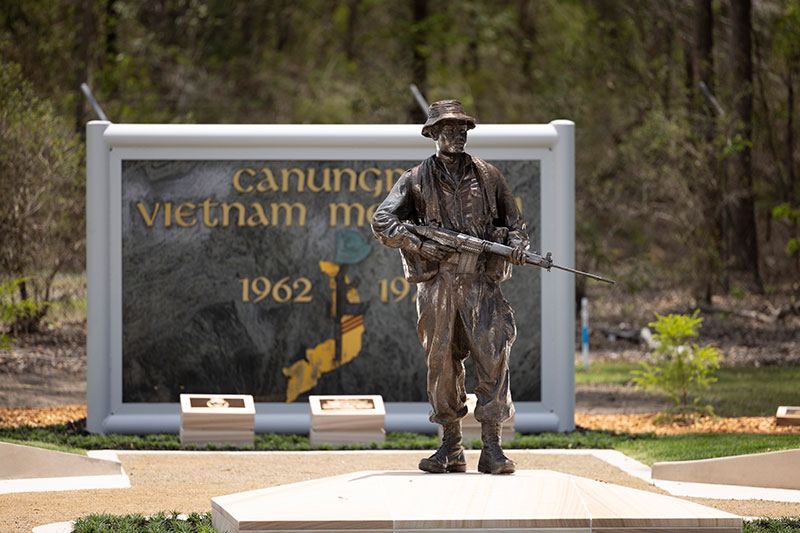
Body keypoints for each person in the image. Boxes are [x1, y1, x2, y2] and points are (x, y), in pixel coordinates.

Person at [371, 100, 529, 475]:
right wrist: (419, 244)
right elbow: (382, 220)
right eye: (448, 129)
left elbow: (515, 224)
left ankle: (493, 448)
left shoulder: (489, 176)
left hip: (481, 283)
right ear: (433, 134)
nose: (457, 135)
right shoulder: (414, 179)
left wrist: (518, 246)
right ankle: (451, 446)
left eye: (462, 129)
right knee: (441, 362)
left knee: (493, 358)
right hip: (438, 285)